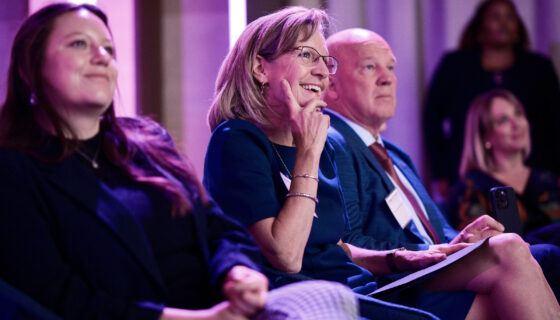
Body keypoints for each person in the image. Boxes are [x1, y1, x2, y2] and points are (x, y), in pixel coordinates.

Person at [0, 3, 361, 320]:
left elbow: (220, 231)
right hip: (168, 315)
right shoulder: (14, 170)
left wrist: (236, 273)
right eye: (79, 43)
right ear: (29, 69)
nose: (101, 56)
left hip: (225, 307)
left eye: (108, 49)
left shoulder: (147, 143)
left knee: (331, 297)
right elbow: (53, 295)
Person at [203, 6, 560, 319]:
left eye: (324, 60)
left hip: (365, 281)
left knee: (512, 259)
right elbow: (287, 255)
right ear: (260, 69)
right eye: (305, 56)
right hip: (328, 295)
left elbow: (333, 246)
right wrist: (309, 153)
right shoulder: (238, 140)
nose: (321, 72)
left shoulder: (315, 143)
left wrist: (397, 258)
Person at [325, 27, 560, 302]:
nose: (387, 78)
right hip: (406, 278)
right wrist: (431, 252)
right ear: (331, 86)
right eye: (369, 67)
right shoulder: (334, 141)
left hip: (441, 261)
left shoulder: (396, 154)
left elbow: (442, 230)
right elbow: (350, 243)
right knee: (545, 254)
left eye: (390, 67)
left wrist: (465, 239)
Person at [423, 0, 560, 199]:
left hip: (534, 172)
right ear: (479, 27)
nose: (503, 23)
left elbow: (555, 122)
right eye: (495, 16)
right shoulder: (454, 65)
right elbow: (432, 119)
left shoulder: (539, 67)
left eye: (509, 16)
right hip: (468, 173)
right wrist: (440, 173)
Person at [446, 89, 560, 244]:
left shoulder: (550, 181)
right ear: (485, 135)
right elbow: (470, 250)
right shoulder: (470, 188)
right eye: (503, 120)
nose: (516, 124)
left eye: (518, 114)